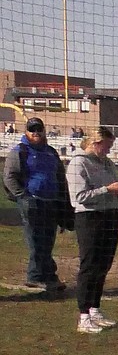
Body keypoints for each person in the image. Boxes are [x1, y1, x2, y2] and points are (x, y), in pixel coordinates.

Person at [65, 127, 118, 333]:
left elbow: (115, 193)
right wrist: (107, 189)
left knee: (104, 264)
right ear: (95, 143)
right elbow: (78, 197)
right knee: (90, 265)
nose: (109, 151)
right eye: (107, 146)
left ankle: (95, 308)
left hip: (110, 215)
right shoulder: (78, 163)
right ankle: (83, 316)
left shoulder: (106, 163)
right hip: (90, 218)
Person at [3, 116, 71, 294]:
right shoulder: (19, 152)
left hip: (52, 201)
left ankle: (48, 274)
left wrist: (64, 200)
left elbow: (59, 177)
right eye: (32, 129)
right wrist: (23, 196)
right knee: (35, 239)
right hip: (32, 201)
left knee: (48, 240)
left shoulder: (50, 152)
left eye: (38, 129)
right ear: (26, 131)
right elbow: (9, 177)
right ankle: (35, 276)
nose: (36, 133)